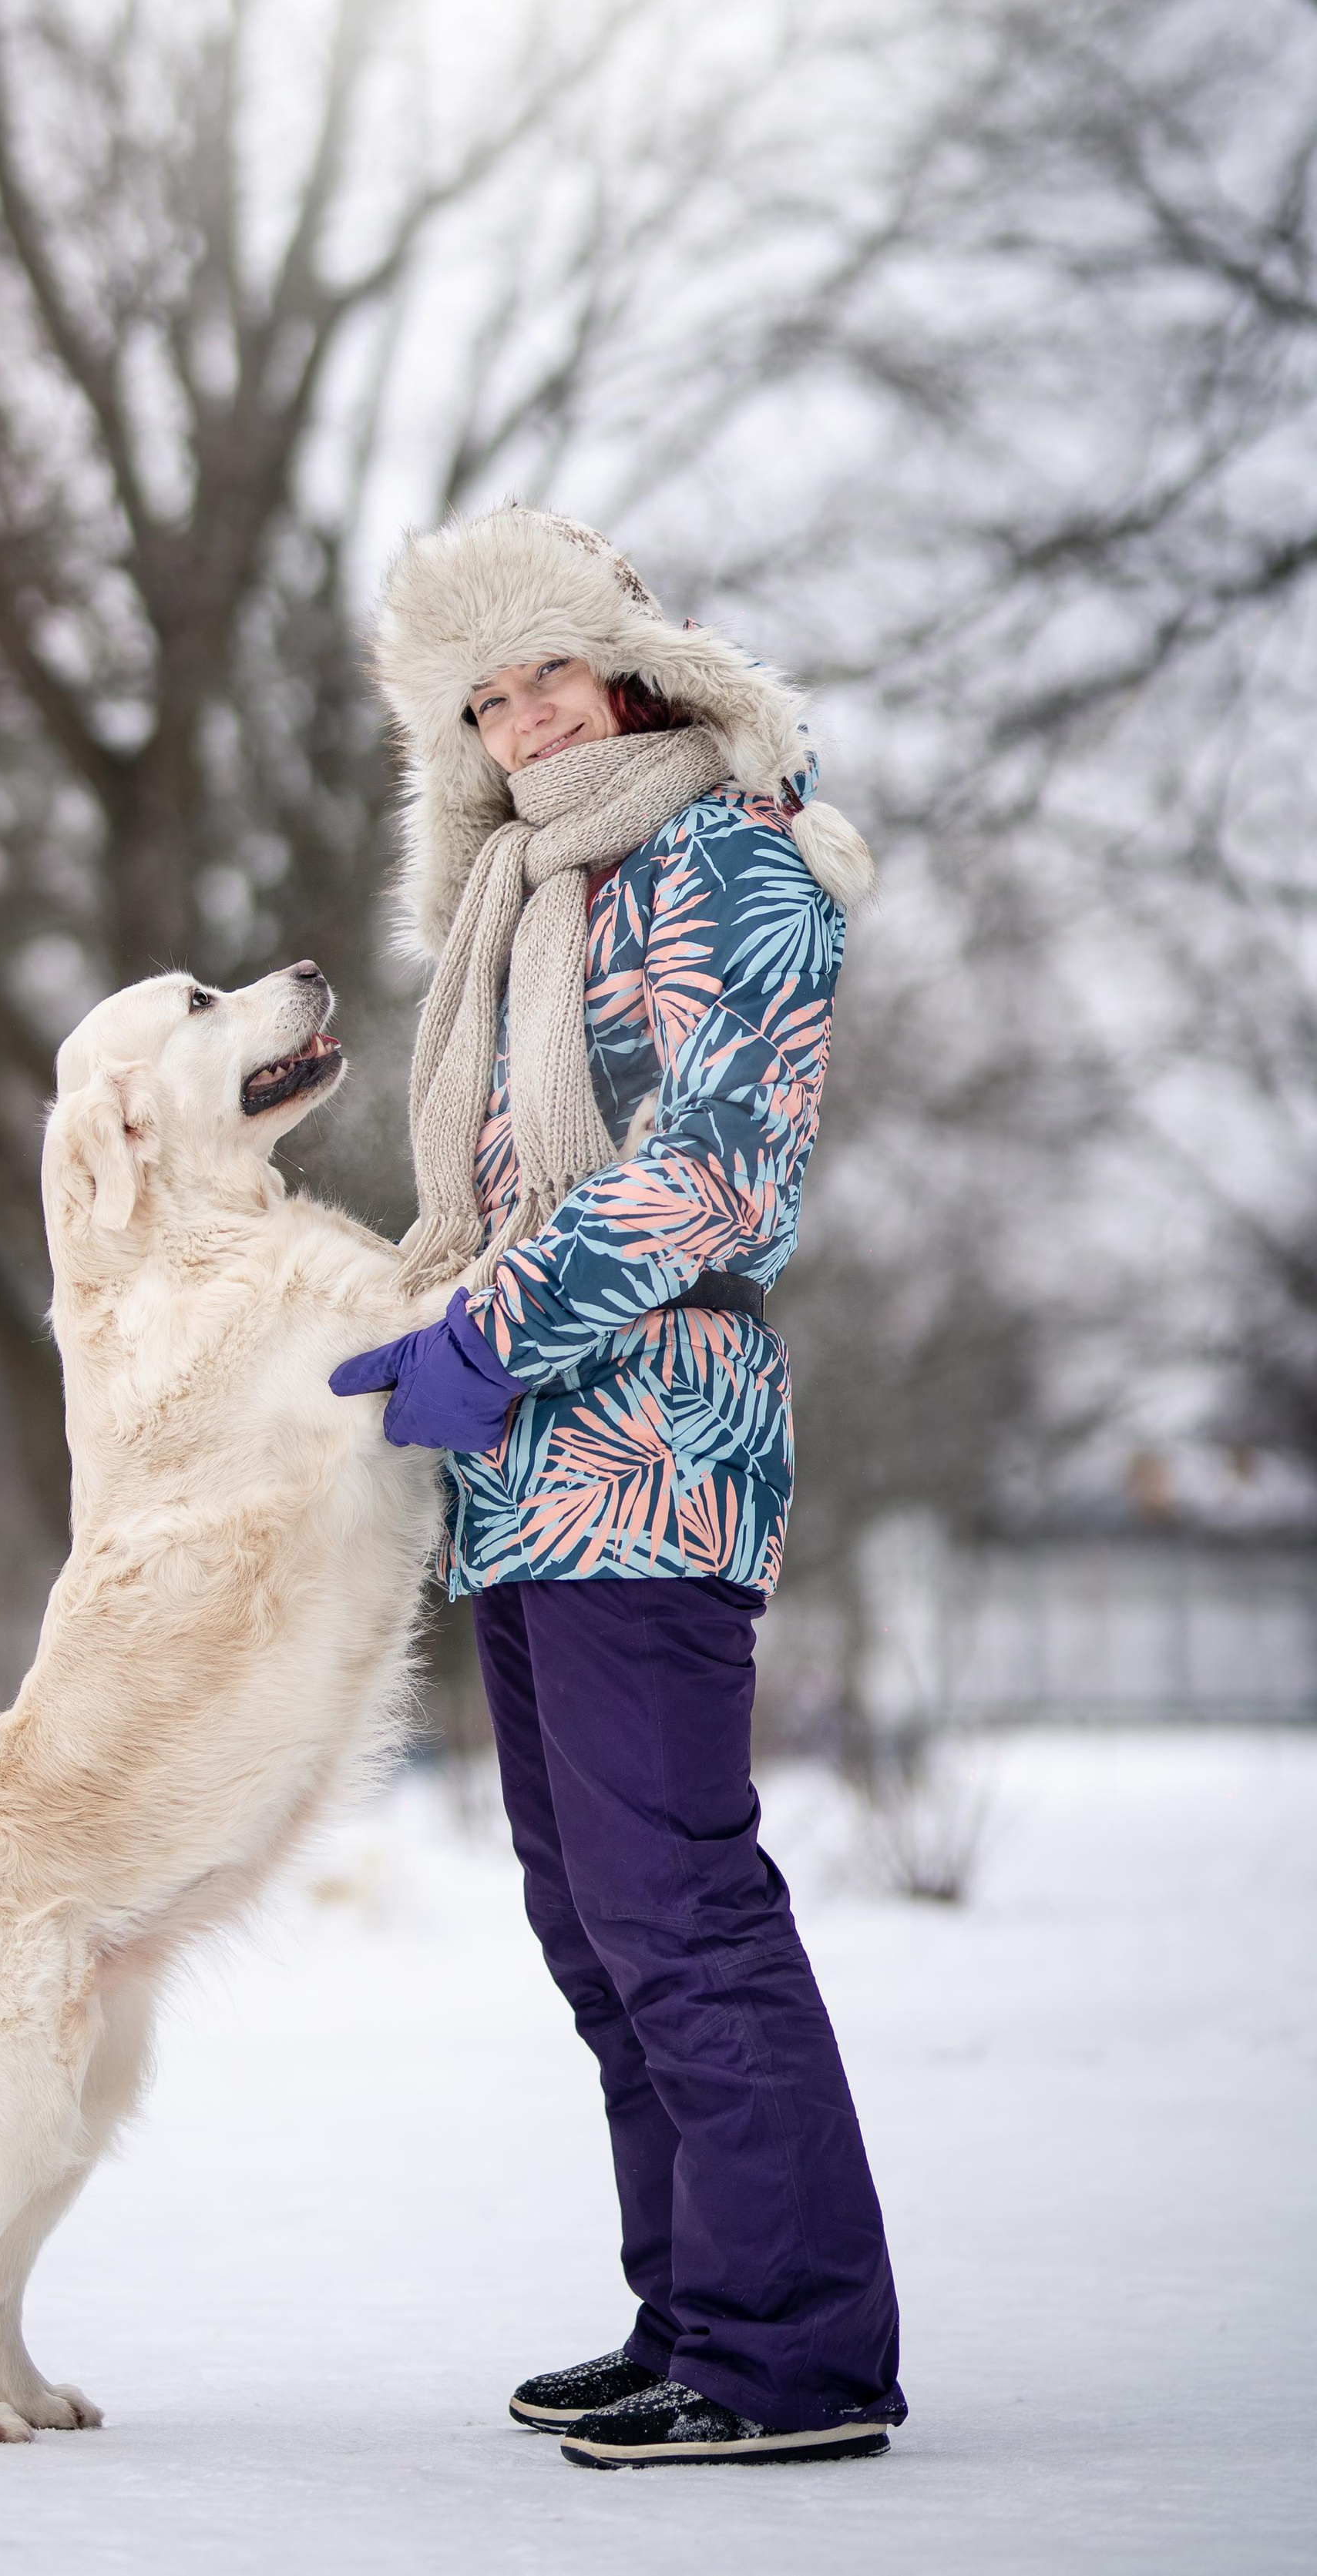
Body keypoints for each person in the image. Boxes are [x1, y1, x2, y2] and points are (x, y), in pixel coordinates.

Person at [330, 505, 905, 2469]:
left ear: (636, 662)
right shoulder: (527, 905)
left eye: (546, 671)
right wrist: (405, 1330)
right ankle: (694, 2308)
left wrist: (491, 1330)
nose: (522, 722)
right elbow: (491, 1188)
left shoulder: (733, 866)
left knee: (677, 1898)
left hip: (654, 1435)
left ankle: (795, 2353)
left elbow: (715, 1171)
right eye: (481, 702)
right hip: (523, 1471)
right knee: (590, 1915)